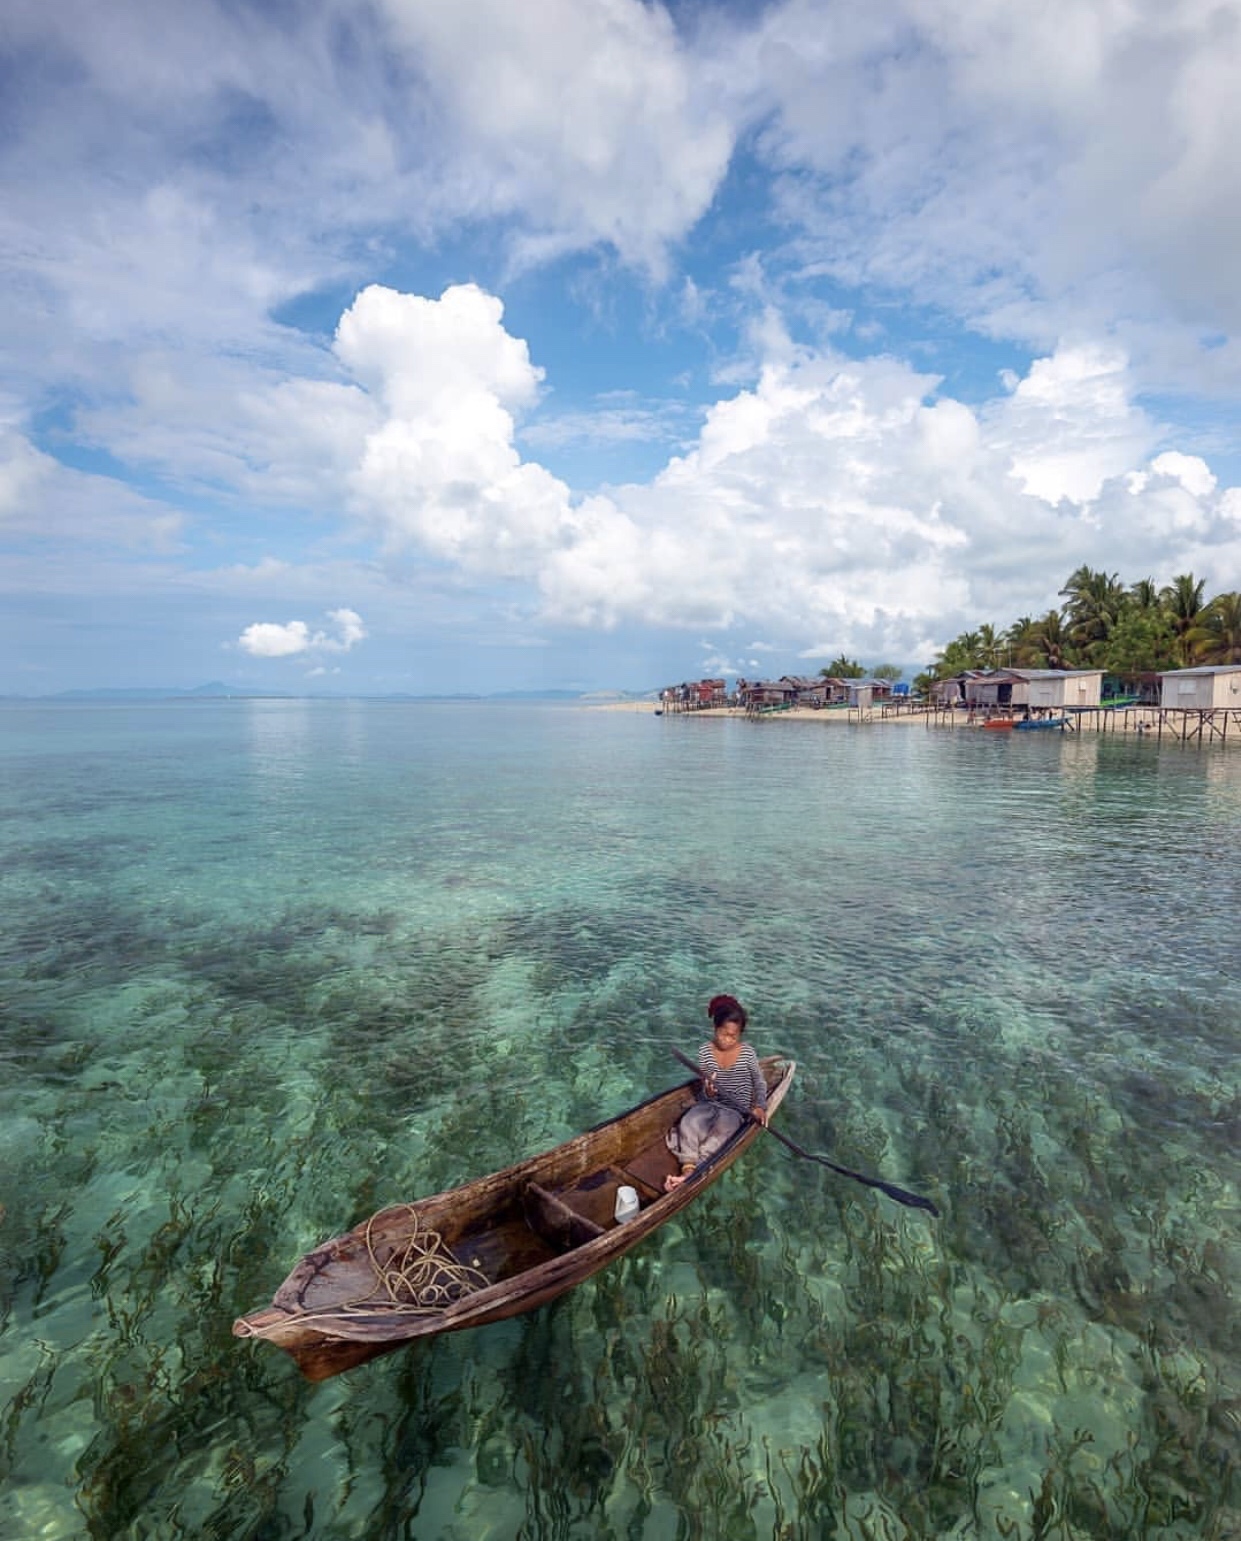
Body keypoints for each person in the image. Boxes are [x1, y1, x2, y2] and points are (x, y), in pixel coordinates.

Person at [664, 994, 768, 1191]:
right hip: (711, 1105)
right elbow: (706, 1090)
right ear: (715, 1029)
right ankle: (688, 1168)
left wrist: (760, 1107)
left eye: (733, 1036)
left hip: (735, 1111)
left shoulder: (747, 1053)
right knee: (689, 1122)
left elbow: (759, 1082)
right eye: (723, 1034)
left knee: (721, 1135)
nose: (727, 1040)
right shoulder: (705, 1051)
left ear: (740, 1035)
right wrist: (709, 1091)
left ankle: (694, 1172)